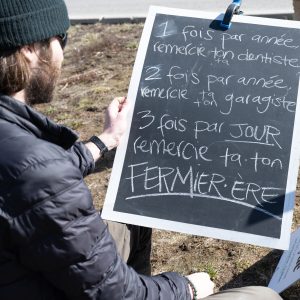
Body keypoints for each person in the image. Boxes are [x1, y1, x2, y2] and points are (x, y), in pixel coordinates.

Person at [0, 0, 283, 299]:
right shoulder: (41, 170)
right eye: (60, 39)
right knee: (263, 296)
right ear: (30, 48)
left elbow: (29, 178)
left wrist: (103, 141)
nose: (62, 53)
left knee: (129, 210)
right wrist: (185, 287)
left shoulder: (21, 150)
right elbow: (121, 295)